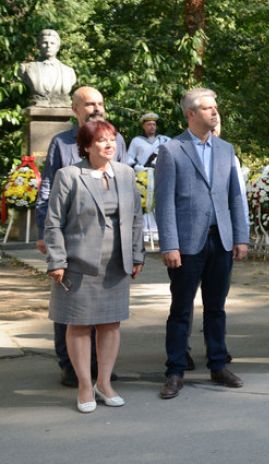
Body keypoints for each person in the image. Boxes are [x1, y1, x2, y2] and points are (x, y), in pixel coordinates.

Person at [43, 119, 144, 412]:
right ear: (87, 146)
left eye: (112, 138)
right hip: (78, 263)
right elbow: (53, 223)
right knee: (79, 324)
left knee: (111, 323)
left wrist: (137, 255)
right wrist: (57, 259)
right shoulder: (69, 175)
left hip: (117, 261)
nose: (109, 144)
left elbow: (135, 217)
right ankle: (85, 386)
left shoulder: (125, 174)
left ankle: (105, 382)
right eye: (101, 140)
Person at [155, 88, 249, 398]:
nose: (215, 112)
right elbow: (164, 202)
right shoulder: (172, 150)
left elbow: (235, 195)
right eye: (207, 108)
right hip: (186, 244)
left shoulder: (225, 149)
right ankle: (175, 370)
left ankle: (218, 364)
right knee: (181, 309)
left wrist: (241, 236)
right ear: (190, 114)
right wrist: (169, 244)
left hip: (220, 240)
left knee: (216, 307)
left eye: (215, 107)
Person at [36, 86, 128, 387]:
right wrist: (44, 232)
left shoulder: (118, 141)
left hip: (108, 243)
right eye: (89, 104)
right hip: (72, 234)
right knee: (71, 307)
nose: (96, 108)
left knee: (105, 310)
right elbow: (49, 186)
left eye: (100, 103)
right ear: (75, 109)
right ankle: (69, 365)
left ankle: (100, 369)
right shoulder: (61, 142)